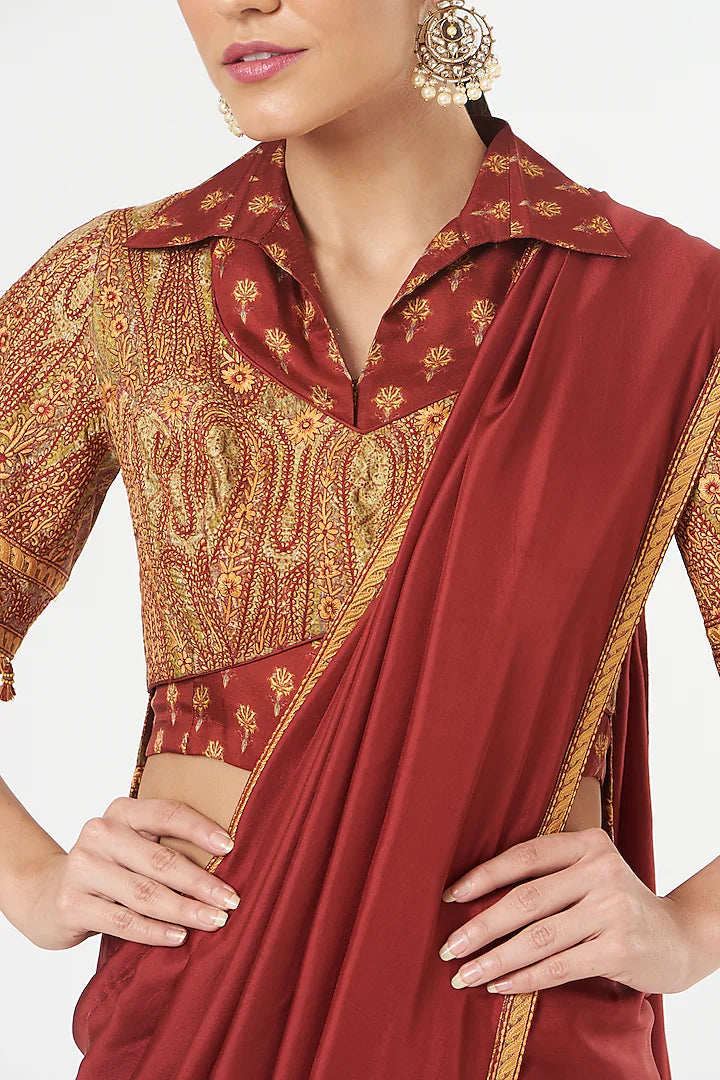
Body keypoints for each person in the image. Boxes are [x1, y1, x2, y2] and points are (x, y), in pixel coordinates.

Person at [1, 1, 720, 1076]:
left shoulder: (662, 307)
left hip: (516, 1027)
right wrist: (31, 884)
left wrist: (690, 933)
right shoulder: (122, 288)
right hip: (195, 1019)